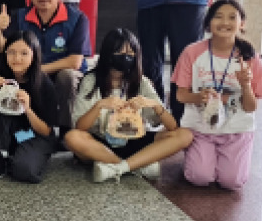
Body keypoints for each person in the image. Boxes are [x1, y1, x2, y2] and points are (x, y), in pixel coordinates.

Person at [64, 28, 192, 183]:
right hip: (101, 142)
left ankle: (117, 167)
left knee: (185, 135)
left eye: (130, 53)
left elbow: (172, 126)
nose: (125, 57)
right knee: (72, 137)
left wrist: (154, 105)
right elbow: (80, 127)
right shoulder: (91, 80)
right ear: (108, 54)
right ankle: (136, 166)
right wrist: (98, 106)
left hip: (134, 140)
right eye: (119, 52)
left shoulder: (141, 82)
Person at [173, 0, 261, 190]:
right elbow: (181, 95)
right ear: (208, 23)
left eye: (232, 17)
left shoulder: (250, 56)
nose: (225, 22)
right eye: (218, 17)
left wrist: (246, 85)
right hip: (200, 128)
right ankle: (198, 157)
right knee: (200, 177)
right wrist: (199, 97)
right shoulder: (192, 52)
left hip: (237, 129)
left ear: (242, 23)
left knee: (232, 182)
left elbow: (251, 107)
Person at [0, 0, 90, 134]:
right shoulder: (20, 16)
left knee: (66, 77)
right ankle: (14, 131)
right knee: (4, 73)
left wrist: (36, 70)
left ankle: (64, 131)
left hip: (61, 73)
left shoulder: (77, 18)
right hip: (31, 72)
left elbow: (75, 62)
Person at [0, 31, 58, 183]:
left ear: (34, 55)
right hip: (11, 134)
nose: (17, 58)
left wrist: (27, 109)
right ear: (5, 53)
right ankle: (3, 152)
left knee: (24, 170)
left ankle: (15, 154)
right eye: (11, 52)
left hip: (34, 134)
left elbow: (46, 131)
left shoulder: (44, 84)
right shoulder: (0, 75)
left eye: (24, 53)